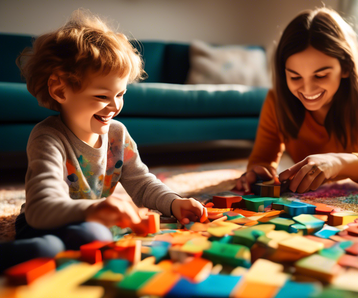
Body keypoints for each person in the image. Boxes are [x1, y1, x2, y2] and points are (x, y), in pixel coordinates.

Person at [0, 9, 205, 272]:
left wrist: (174, 202)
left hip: (89, 224)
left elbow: (141, 182)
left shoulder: (117, 135)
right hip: (44, 221)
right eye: (101, 96)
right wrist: (94, 209)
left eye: (121, 94)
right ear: (60, 89)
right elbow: (41, 208)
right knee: (46, 250)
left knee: (98, 238)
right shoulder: (48, 137)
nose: (115, 106)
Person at [235, 7, 358, 194]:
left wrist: (339, 162)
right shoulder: (277, 100)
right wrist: (257, 173)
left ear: (345, 67)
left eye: (320, 75)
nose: (307, 90)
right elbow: (262, 160)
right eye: (295, 77)